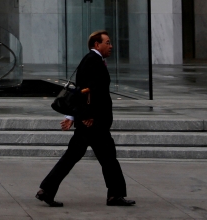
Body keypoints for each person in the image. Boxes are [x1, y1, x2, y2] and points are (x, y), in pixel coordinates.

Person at [36, 30, 135, 208]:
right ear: (97, 45)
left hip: (90, 122)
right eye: (107, 42)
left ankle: (47, 190)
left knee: (75, 157)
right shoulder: (93, 61)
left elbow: (81, 91)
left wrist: (73, 116)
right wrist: (86, 116)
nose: (111, 46)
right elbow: (91, 92)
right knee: (108, 158)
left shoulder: (91, 60)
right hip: (94, 123)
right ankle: (115, 195)